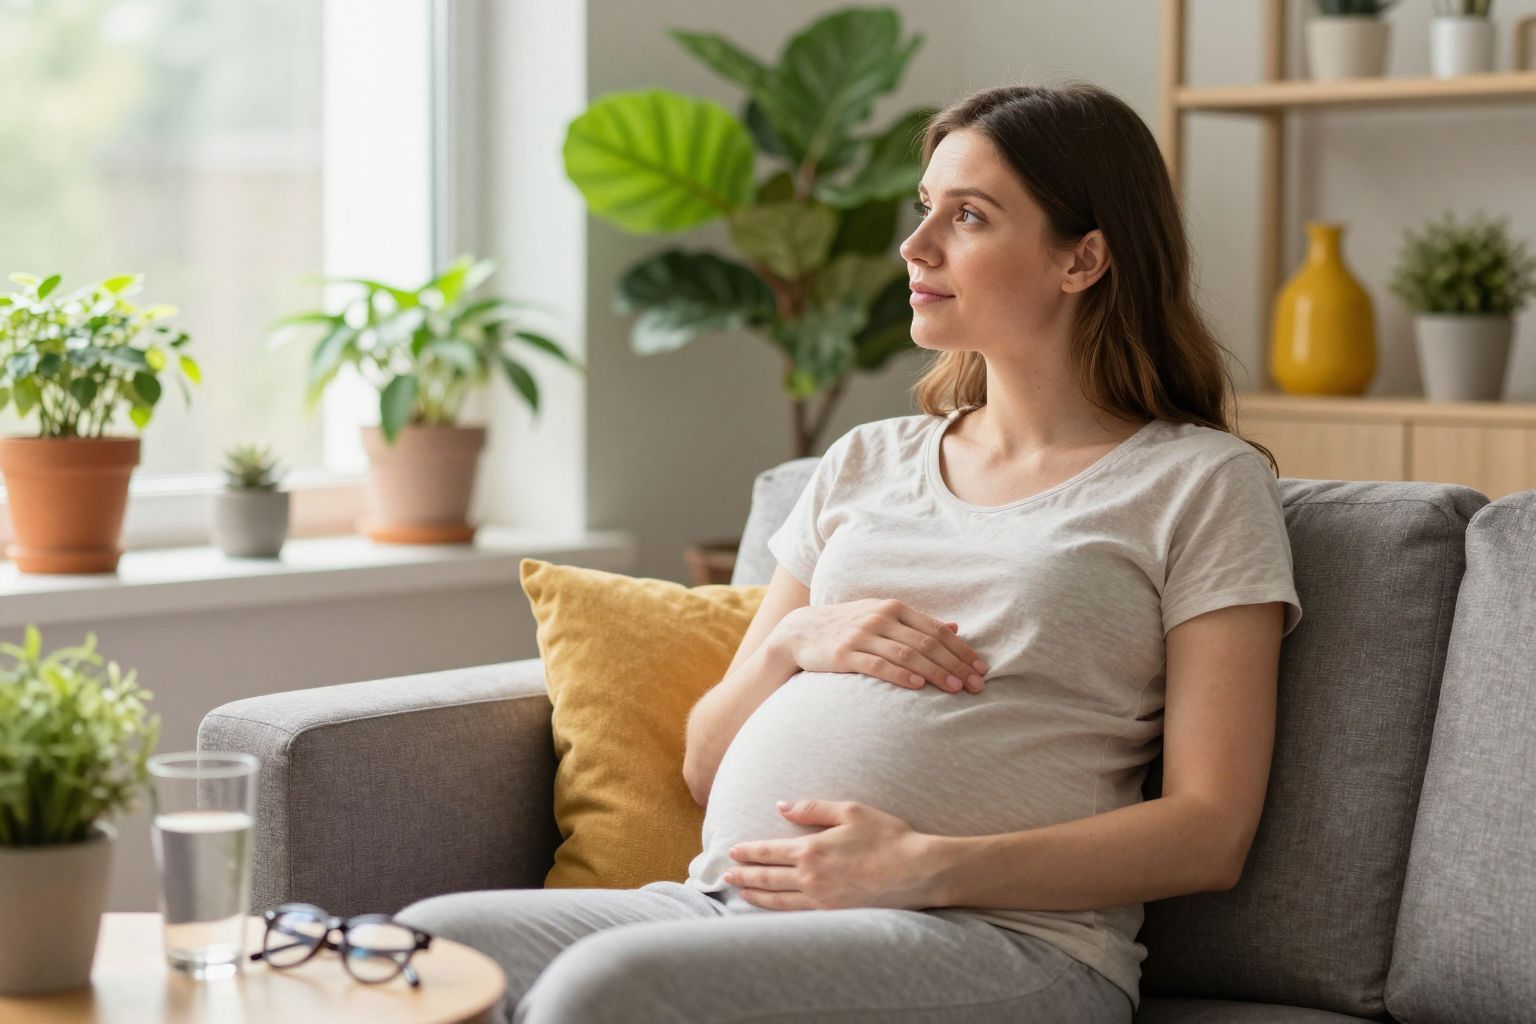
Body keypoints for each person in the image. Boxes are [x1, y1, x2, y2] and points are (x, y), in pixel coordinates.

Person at [396, 79, 1303, 1024]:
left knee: (604, 990)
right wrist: (797, 642)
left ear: (1082, 258)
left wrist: (924, 867)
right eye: (925, 210)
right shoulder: (864, 460)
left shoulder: (1199, 483)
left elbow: (1210, 831)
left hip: (1003, 937)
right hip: (720, 908)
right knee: (422, 950)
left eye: (969, 216)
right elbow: (706, 769)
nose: (916, 248)